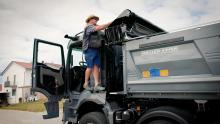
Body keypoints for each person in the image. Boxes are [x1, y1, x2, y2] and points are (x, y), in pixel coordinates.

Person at [82, 15, 111, 91]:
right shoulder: (88, 27)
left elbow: (102, 30)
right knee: (90, 67)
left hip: (96, 50)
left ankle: (96, 85)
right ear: (90, 20)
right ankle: (85, 84)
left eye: (97, 20)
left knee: (96, 67)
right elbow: (99, 28)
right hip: (89, 49)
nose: (96, 21)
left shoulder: (95, 28)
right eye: (95, 19)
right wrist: (109, 23)